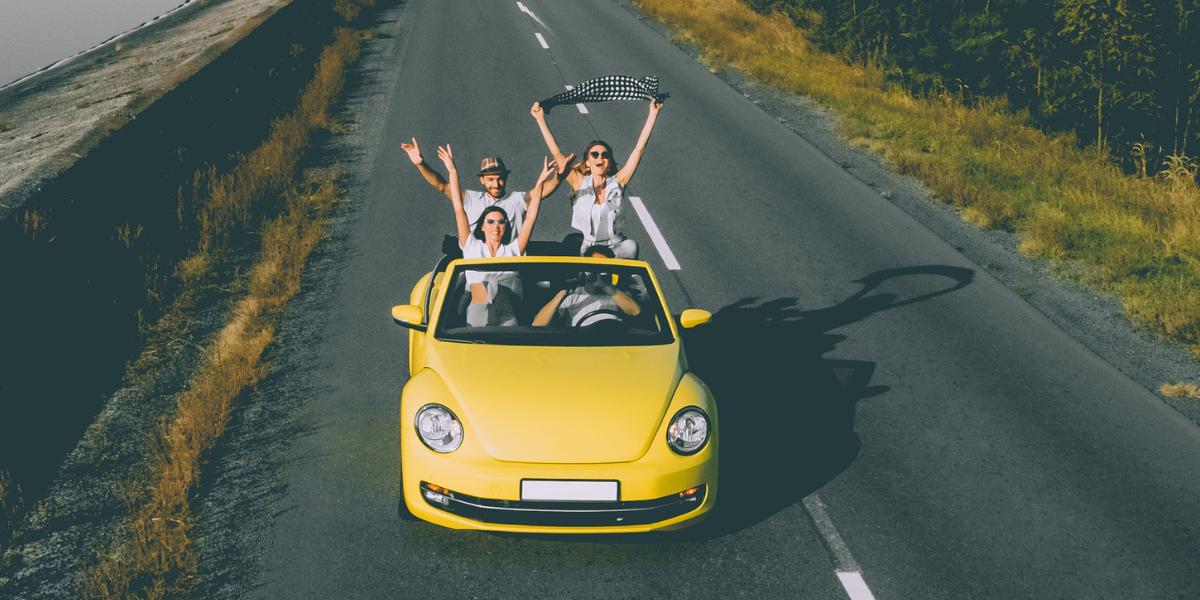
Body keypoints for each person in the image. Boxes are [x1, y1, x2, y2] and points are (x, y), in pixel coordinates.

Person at [438, 144, 557, 327]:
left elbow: (531, 217)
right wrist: (452, 170)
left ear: (506, 227)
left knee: (510, 339)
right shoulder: (471, 245)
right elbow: (458, 208)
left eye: (501, 222)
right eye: (490, 222)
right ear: (482, 227)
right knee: (475, 324)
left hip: (509, 303)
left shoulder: (513, 249)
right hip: (478, 300)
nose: (496, 226)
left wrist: (541, 180)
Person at [530, 99, 663, 258]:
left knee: (631, 247)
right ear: (588, 161)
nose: (600, 157)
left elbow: (639, 149)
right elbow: (557, 154)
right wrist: (540, 119)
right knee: (584, 275)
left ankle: (622, 281)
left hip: (616, 245)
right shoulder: (579, 182)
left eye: (605, 155)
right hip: (588, 246)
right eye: (595, 154)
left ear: (609, 163)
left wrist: (653, 114)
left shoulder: (618, 182)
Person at [401, 137, 569, 242]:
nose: (496, 184)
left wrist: (559, 177)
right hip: (477, 270)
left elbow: (542, 191)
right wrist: (420, 164)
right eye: (490, 179)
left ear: (506, 178)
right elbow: (441, 185)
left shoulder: (517, 200)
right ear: (482, 180)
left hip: (510, 270)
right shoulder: (471, 199)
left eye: (500, 179)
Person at [532, 246, 644, 328]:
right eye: (593, 267)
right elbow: (538, 325)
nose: (597, 272)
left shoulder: (617, 294)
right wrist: (561, 293)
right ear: (585, 269)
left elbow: (635, 311)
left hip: (614, 345)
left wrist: (606, 285)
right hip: (582, 347)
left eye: (603, 268)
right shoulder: (572, 296)